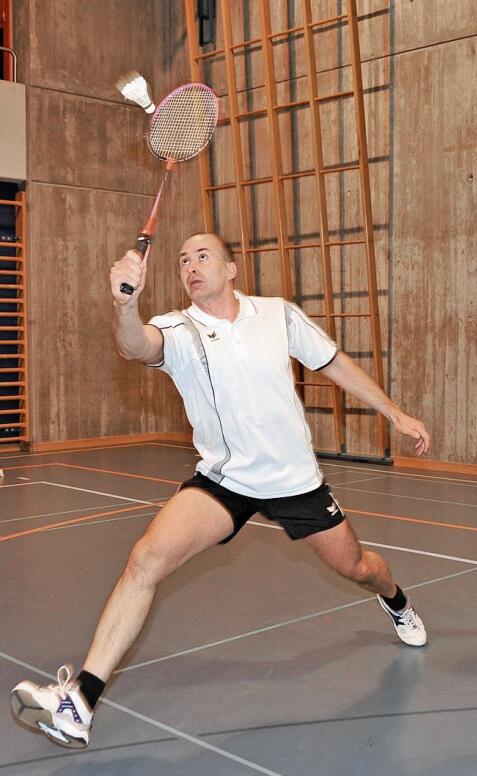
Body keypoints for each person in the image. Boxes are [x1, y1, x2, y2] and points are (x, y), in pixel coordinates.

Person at [11, 233, 432, 750]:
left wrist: (393, 412)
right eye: (183, 259)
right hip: (224, 480)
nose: (191, 265)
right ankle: (80, 700)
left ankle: (396, 601)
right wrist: (125, 305)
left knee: (359, 567)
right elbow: (136, 346)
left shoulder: (277, 315)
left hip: (294, 481)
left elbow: (333, 364)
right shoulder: (179, 328)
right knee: (146, 559)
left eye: (202, 256)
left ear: (231, 269)